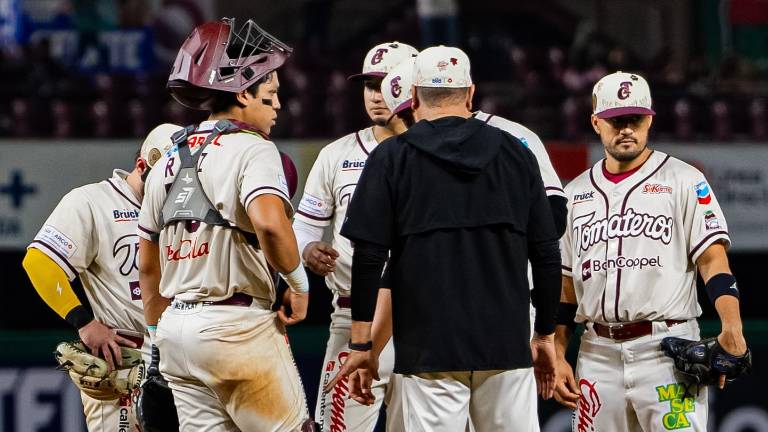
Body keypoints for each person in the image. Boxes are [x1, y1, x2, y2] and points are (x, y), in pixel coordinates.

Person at [326, 46, 562, 431]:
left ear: (413, 95)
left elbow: (369, 258)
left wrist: (362, 343)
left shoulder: (391, 157)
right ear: (470, 93)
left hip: (428, 347)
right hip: (506, 341)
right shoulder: (516, 154)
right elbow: (547, 253)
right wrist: (545, 335)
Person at [137, 18, 312, 431]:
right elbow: (270, 224)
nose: (278, 105)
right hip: (236, 329)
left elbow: (147, 263)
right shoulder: (253, 148)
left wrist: (155, 340)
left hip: (177, 333)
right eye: (271, 93)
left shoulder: (169, 156)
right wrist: (299, 285)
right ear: (244, 92)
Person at [553, 71, 749, 431]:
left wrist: (732, 327)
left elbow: (713, 260)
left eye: (636, 118)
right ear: (596, 122)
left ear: (649, 120)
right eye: (616, 120)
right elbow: (566, 286)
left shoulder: (684, 179)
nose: (627, 129)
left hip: (666, 349)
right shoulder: (575, 194)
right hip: (596, 353)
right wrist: (557, 351)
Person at [22, 122, 181, 431]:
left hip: (183, 358)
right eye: (164, 181)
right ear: (141, 166)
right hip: (125, 359)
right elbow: (39, 262)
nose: (169, 191)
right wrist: (83, 322)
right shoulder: (93, 201)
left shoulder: (184, 211)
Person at [293, 41, 417, 432]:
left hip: (424, 319)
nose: (376, 95)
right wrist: (307, 248)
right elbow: (304, 228)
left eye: (386, 83)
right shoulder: (336, 154)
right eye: (369, 85)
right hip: (352, 316)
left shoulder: (435, 152)